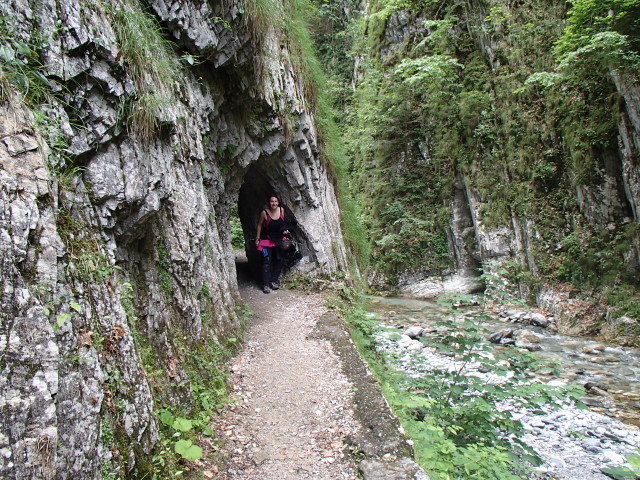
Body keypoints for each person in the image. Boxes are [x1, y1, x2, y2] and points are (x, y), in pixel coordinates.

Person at [255, 194, 290, 294]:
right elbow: (259, 225)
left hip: (279, 240)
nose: (273, 203)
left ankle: (273, 281)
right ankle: (265, 284)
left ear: (278, 202)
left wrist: (285, 230)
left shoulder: (282, 210)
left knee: (280, 259)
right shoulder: (264, 213)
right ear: (269, 203)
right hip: (267, 240)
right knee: (267, 260)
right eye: (272, 201)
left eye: (275, 201)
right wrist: (257, 238)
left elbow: (283, 224)